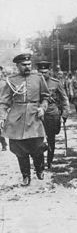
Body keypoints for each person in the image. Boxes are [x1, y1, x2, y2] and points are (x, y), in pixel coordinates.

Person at [0, 53, 50, 186]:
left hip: (34, 116)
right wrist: (2, 117)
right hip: (17, 118)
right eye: (24, 65)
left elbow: (46, 97)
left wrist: (42, 108)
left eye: (29, 64)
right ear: (17, 66)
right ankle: (26, 176)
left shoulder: (38, 78)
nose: (27, 67)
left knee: (38, 146)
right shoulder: (11, 80)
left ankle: (39, 169)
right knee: (19, 149)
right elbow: (4, 102)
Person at [36, 61, 70, 168]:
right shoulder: (34, 83)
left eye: (45, 72)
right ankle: (40, 161)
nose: (43, 74)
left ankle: (49, 161)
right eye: (41, 72)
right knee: (38, 139)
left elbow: (64, 98)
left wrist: (65, 112)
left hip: (51, 113)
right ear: (38, 72)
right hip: (37, 114)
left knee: (51, 138)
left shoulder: (56, 82)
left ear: (49, 71)